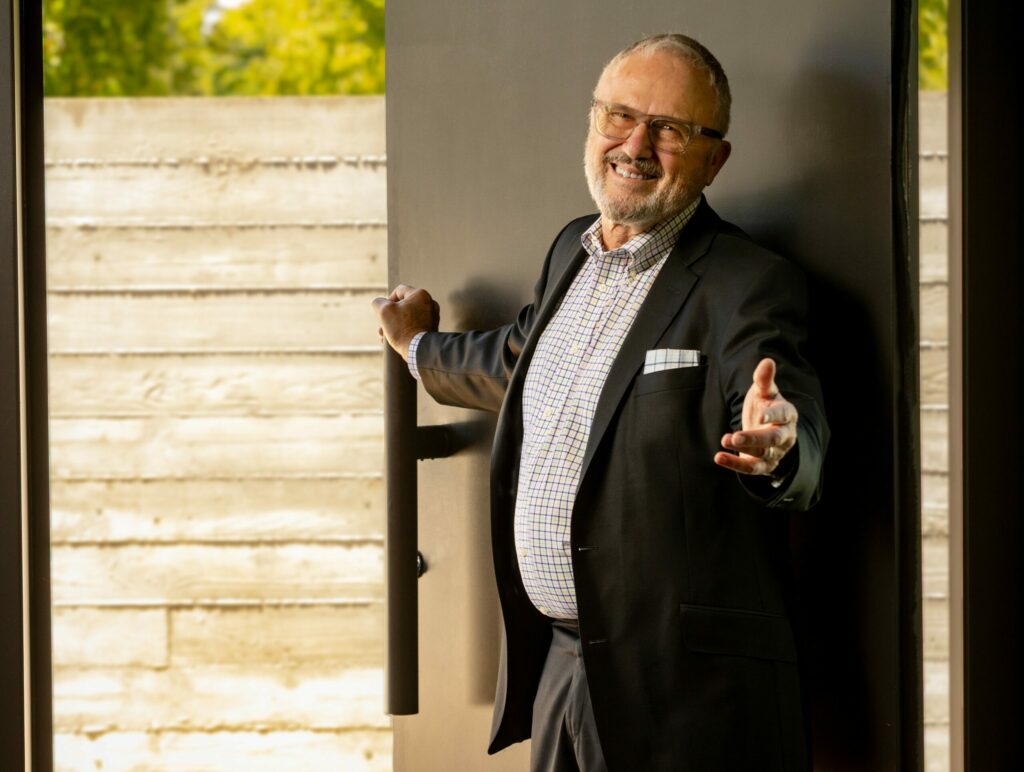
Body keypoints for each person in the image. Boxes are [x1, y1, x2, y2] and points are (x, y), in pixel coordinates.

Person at [372, 33, 828, 772]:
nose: (636, 144)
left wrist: (778, 448)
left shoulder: (746, 282)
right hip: (560, 668)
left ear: (715, 158)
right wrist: (416, 347)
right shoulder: (568, 255)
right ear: (593, 123)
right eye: (620, 115)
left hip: (686, 699)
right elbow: (514, 362)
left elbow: (787, 421)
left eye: (670, 129)